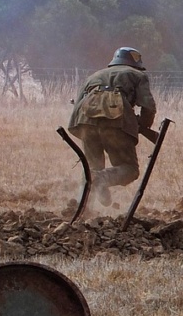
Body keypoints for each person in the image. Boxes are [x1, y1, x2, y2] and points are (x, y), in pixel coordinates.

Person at [67, 47, 157, 206]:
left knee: (91, 167)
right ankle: (102, 179)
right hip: (116, 124)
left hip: (86, 123)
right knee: (130, 169)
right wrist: (142, 126)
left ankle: (84, 205)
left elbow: (78, 105)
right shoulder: (138, 75)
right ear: (135, 64)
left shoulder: (94, 76)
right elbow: (148, 107)